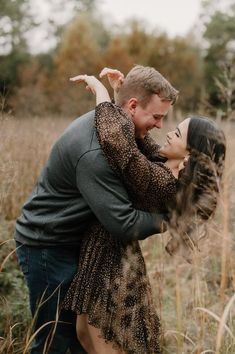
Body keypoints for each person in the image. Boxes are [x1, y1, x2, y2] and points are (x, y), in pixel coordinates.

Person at [14, 65, 178, 354]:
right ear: (131, 106)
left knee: (76, 342)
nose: (159, 125)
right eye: (156, 117)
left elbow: (146, 164)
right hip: (47, 246)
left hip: (73, 242)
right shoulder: (96, 152)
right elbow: (123, 222)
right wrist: (174, 221)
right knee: (54, 341)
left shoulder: (118, 132)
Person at [62, 72, 226, 354]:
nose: (167, 132)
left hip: (110, 261)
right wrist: (120, 99)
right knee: (85, 336)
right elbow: (135, 141)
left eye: (176, 134)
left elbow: (118, 143)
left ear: (187, 157)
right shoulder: (162, 167)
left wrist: (100, 94)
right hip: (102, 252)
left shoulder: (162, 182)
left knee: (103, 344)